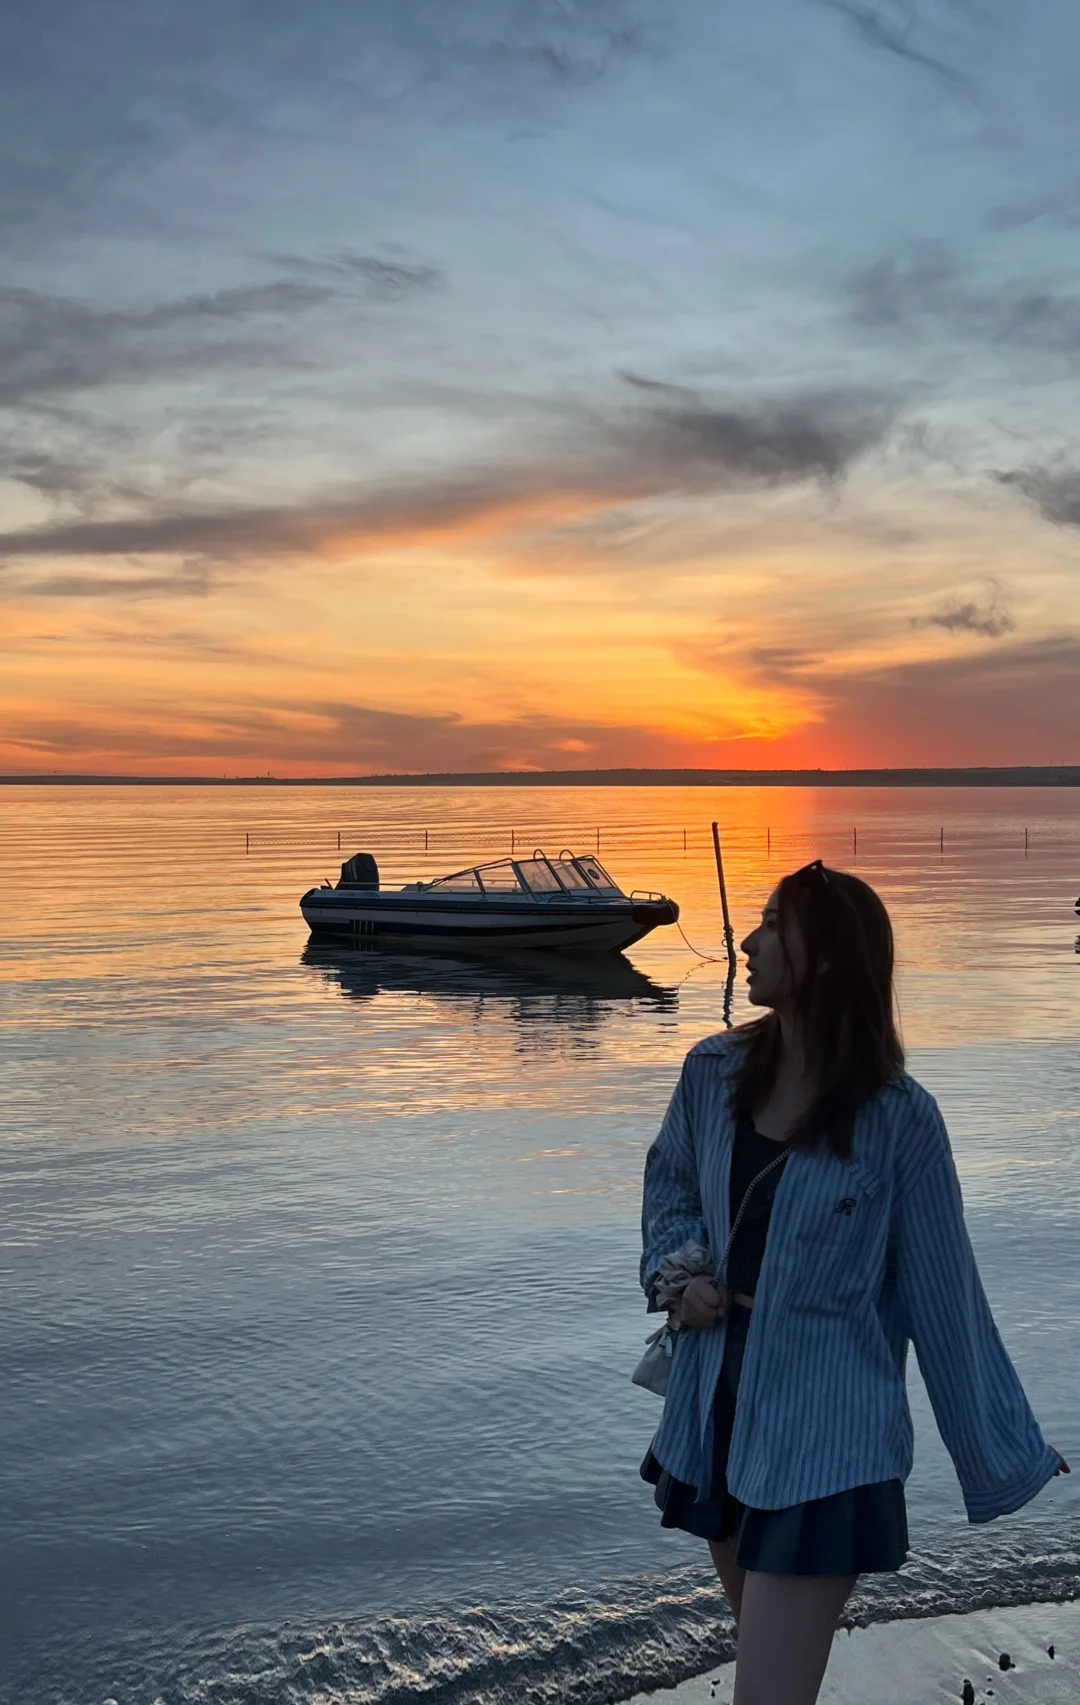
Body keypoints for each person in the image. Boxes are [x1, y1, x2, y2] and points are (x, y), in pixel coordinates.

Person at [639, 860, 1069, 1705]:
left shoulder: (898, 1118)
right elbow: (671, 1183)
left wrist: (1003, 1443)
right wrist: (679, 1275)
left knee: (765, 1694)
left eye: (771, 924)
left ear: (828, 958)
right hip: (716, 1406)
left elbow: (944, 1293)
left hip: (828, 1435)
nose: (749, 940)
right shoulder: (712, 1072)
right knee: (769, 1671)